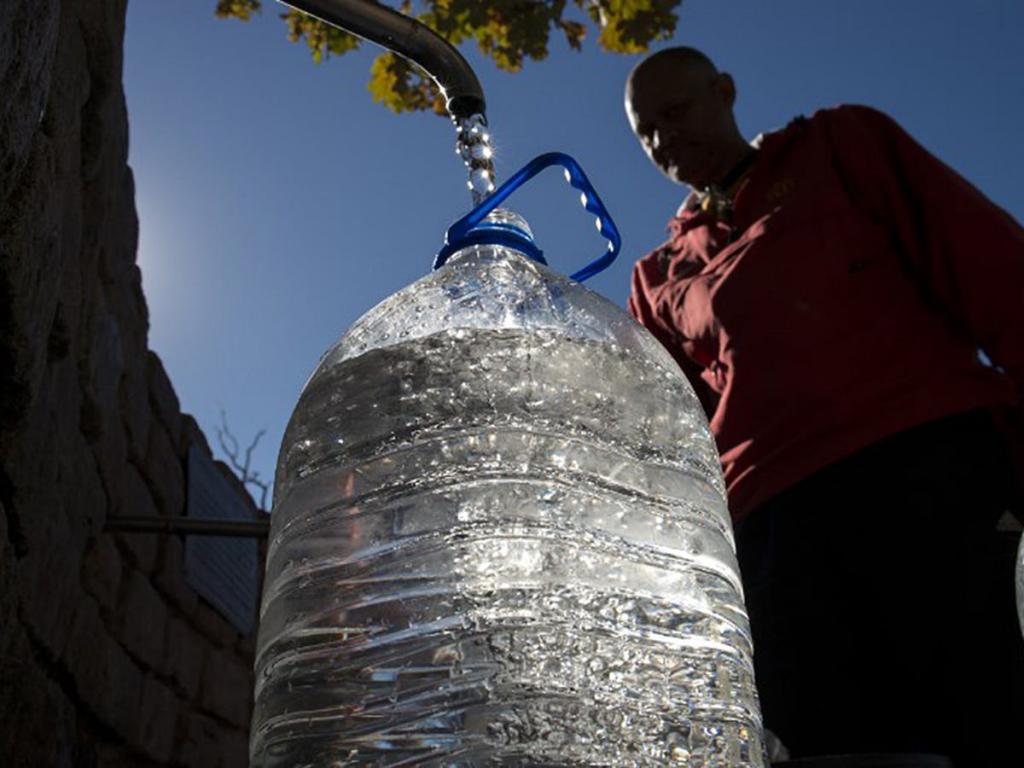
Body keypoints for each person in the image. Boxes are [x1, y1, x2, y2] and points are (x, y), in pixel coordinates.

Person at [624, 46, 1024, 766]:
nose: (662, 138)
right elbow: (668, 444)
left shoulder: (841, 145)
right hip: (774, 534)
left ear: (725, 90)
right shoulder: (656, 278)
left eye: (675, 111)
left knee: (993, 709)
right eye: (645, 131)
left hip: (927, 466)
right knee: (827, 743)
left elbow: (990, 264)